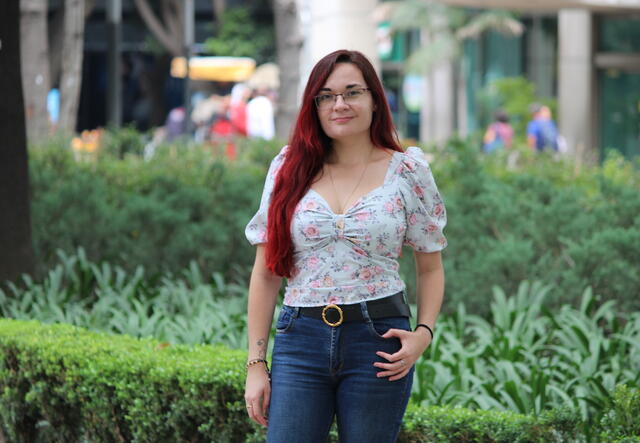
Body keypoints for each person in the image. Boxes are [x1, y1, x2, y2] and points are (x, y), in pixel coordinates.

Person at [243, 49, 447, 442]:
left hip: (380, 342)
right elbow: (266, 272)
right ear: (314, 106)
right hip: (300, 337)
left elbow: (430, 265)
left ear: (375, 99)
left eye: (352, 92)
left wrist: (424, 333)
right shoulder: (289, 169)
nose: (340, 104)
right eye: (327, 95)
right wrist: (256, 363)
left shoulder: (408, 170)